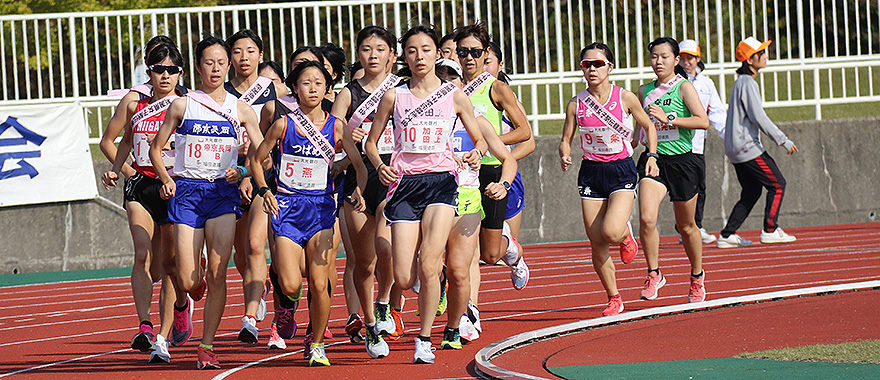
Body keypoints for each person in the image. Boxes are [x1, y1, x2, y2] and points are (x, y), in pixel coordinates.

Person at [364, 24, 487, 364]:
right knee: (404, 276)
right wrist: (379, 165)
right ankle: (426, 296)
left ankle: (424, 338)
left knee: (429, 264)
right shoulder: (395, 95)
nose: (420, 57)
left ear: (438, 54)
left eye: (427, 50)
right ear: (404, 55)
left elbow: (478, 138)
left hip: (442, 183)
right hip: (405, 185)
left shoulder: (453, 94)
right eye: (413, 50)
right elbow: (370, 142)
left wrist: (476, 151)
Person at [149, 35, 261, 369]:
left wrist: (242, 171)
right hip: (187, 193)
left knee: (217, 271)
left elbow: (262, 152)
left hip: (222, 195)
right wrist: (167, 178)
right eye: (208, 62)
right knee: (186, 278)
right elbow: (156, 149)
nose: (215, 69)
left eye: (221, 63)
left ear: (228, 67)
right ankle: (186, 301)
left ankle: (207, 345)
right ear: (198, 67)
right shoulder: (182, 105)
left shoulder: (240, 109)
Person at [250, 60, 367, 366]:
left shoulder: (337, 126)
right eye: (305, 83)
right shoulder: (283, 124)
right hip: (287, 209)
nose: (312, 88)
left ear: (327, 88)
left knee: (319, 283)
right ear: (295, 89)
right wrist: (264, 190)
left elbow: (358, 163)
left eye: (318, 82)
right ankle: (287, 306)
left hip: (321, 210)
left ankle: (316, 343)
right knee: (290, 283)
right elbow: (257, 160)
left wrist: (359, 191)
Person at [100, 42, 191, 363]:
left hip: (175, 188)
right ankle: (146, 326)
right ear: (148, 71)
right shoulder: (134, 102)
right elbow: (118, 141)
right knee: (142, 254)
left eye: (171, 70)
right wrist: (119, 172)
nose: (164, 75)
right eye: (158, 69)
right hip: (141, 186)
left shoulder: (186, 104)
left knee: (168, 265)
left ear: (180, 72)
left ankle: (177, 312)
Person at [559, 42, 659, 316]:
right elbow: (566, 139)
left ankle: (626, 235)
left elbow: (649, 126)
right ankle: (614, 297)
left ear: (609, 67)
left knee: (611, 231)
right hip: (592, 171)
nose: (591, 69)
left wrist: (652, 156)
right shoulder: (576, 103)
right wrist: (565, 154)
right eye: (586, 64)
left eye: (597, 64)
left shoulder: (624, 98)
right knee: (596, 240)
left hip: (621, 169)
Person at [329, 25, 402, 358]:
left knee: (386, 249)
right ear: (358, 54)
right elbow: (328, 136)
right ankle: (371, 324)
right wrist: (348, 138)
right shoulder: (347, 94)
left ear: (392, 55)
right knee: (364, 262)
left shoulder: (402, 90)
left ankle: (385, 301)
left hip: (394, 177)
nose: (373, 55)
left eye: (380, 49)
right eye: (366, 49)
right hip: (357, 180)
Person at [435, 58, 517, 346]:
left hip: (468, 202)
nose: (447, 86)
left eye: (453, 80)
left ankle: (461, 321)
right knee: (421, 269)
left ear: (462, 85)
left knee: (465, 265)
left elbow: (508, 159)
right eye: (440, 79)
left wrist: (503, 184)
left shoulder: (478, 122)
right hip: (431, 201)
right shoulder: (424, 122)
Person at [455, 23, 532, 291]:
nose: (469, 58)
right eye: (463, 52)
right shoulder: (449, 88)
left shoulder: (495, 88)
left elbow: (524, 132)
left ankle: (511, 248)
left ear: (485, 52)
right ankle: (467, 313)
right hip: (459, 175)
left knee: (489, 255)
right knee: (464, 252)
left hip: (490, 172)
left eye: (475, 52)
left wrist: (490, 142)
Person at [636, 37, 710, 304]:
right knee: (646, 219)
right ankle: (654, 273)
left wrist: (669, 118)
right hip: (653, 159)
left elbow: (703, 121)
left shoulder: (684, 87)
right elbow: (638, 126)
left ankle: (697, 276)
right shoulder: (643, 91)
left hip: (683, 161)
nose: (658, 62)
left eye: (664, 57)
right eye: (654, 56)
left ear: (676, 60)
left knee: (686, 226)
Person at [717, 37, 798, 248]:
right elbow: (758, 117)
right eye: (760, 53)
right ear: (749, 60)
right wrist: (783, 140)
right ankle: (770, 230)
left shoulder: (740, 83)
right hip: (747, 147)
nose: (765, 56)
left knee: (752, 191)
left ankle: (727, 234)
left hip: (734, 148)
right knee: (778, 185)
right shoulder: (748, 83)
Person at [224, 29, 277, 345]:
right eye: (237, 51)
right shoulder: (222, 93)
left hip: (262, 177)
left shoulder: (274, 92)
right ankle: (258, 286)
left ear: (260, 55)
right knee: (241, 253)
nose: (244, 57)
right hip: (225, 179)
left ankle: (249, 316)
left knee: (257, 245)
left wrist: (249, 173)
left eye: (250, 51)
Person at [677, 39, 726, 244]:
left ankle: (695, 226)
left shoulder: (706, 83)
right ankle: (684, 228)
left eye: (691, 58)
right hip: (674, 144)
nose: (687, 62)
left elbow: (717, 112)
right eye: (684, 58)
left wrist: (729, 138)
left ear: (698, 58)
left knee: (698, 187)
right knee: (677, 190)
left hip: (697, 146)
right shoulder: (672, 82)